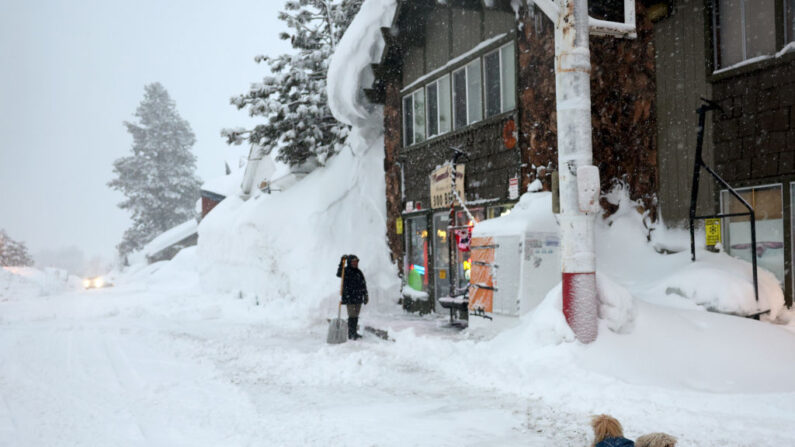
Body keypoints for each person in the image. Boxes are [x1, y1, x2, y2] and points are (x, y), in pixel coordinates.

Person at [336, 254, 368, 340]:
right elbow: (339, 274)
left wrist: (365, 295)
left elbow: (363, 284)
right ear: (349, 262)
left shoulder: (359, 272)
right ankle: (351, 333)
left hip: (358, 297)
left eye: (356, 262)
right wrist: (341, 262)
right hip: (349, 297)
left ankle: (354, 332)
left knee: (356, 315)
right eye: (353, 262)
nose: (355, 263)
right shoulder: (345, 271)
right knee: (352, 315)